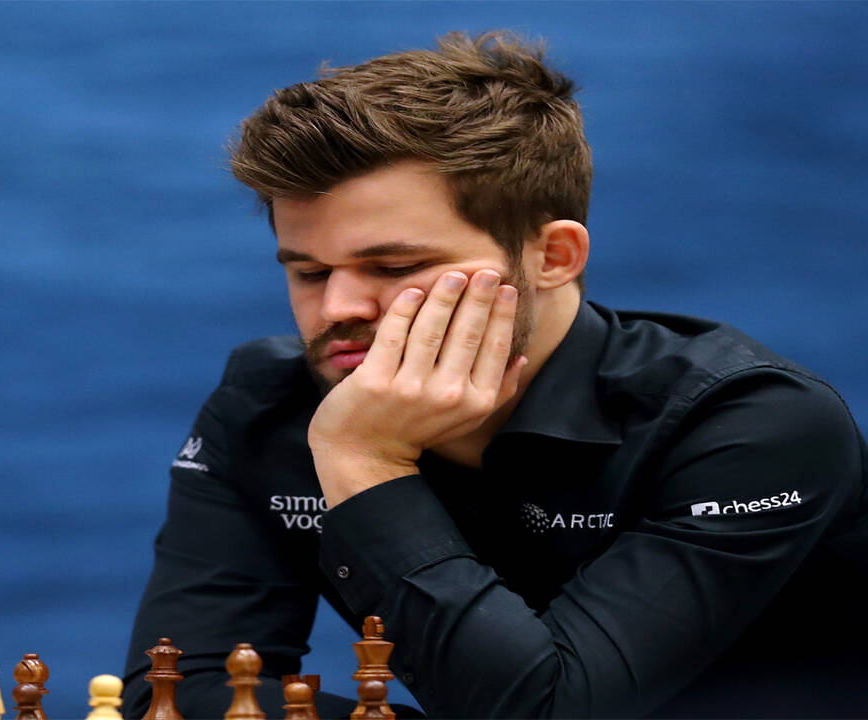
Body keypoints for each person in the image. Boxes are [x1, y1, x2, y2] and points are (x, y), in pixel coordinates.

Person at [121, 31, 868, 718]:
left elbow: (546, 711)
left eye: (395, 266)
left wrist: (365, 462)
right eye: (310, 272)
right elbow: (179, 694)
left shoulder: (752, 424)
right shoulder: (268, 406)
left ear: (553, 257)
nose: (338, 308)